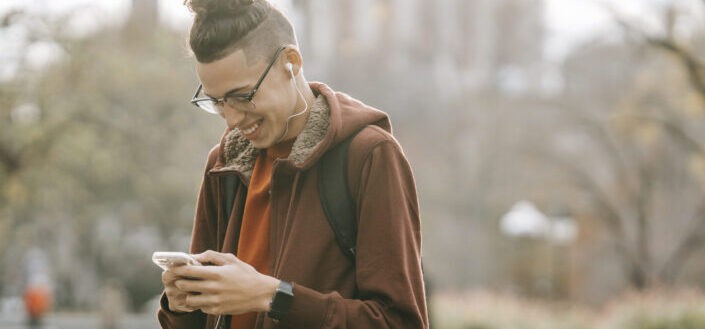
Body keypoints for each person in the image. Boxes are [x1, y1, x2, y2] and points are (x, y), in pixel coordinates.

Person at [157, 0, 427, 328]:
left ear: (291, 62)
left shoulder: (369, 155)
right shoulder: (223, 164)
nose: (231, 118)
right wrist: (182, 306)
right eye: (217, 102)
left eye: (242, 96)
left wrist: (274, 297)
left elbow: (398, 322)